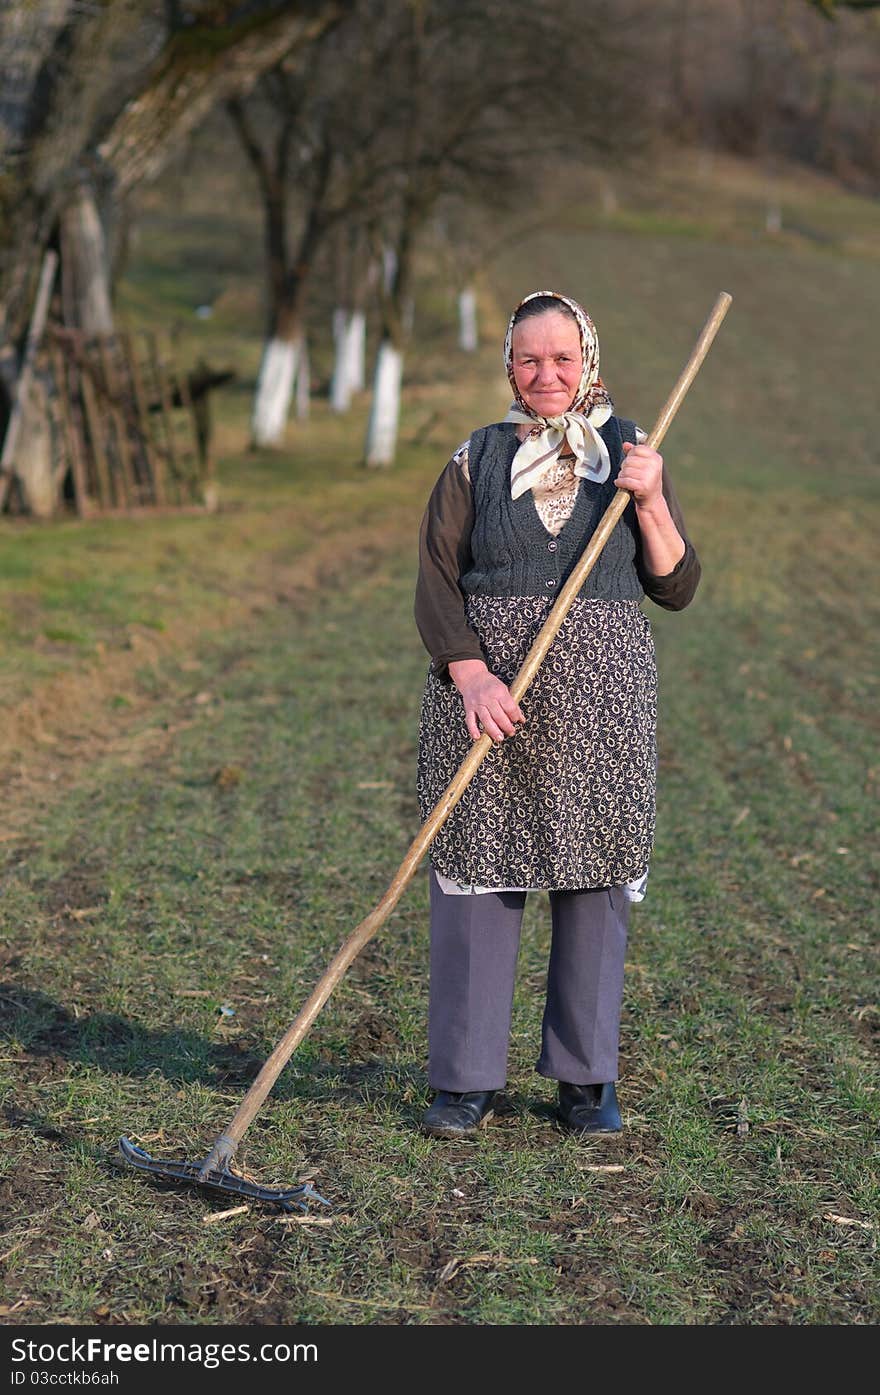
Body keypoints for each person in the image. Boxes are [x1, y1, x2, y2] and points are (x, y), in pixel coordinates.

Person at [413, 289, 701, 1139]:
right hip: (489, 701)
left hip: (602, 701)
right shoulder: (474, 457)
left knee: (595, 877)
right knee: (476, 869)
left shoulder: (631, 449)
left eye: (562, 359)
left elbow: (677, 586)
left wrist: (648, 499)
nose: (546, 374)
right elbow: (435, 577)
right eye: (529, 359)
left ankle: (586, 1080)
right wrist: (470, 676)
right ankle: (464, 1081)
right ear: (508, 365)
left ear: (589, 363)